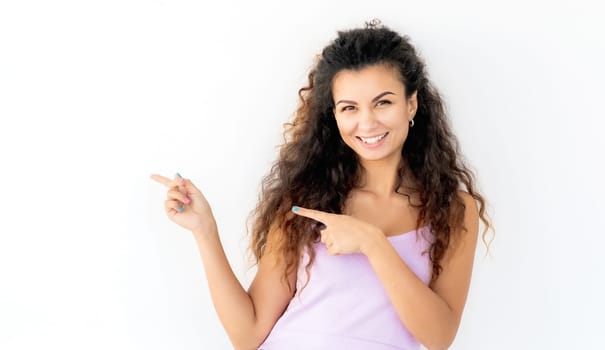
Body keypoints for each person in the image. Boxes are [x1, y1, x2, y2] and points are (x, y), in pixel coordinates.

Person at [151, 20, 491, 350]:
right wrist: (204, 230)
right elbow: (248, 335)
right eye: (349, 108)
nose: (367, 122)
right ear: (335, 116)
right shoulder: (307, 203)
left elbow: (440, 337)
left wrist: (373, 243)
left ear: (411, 104)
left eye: (382, 102)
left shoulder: (453, 210)